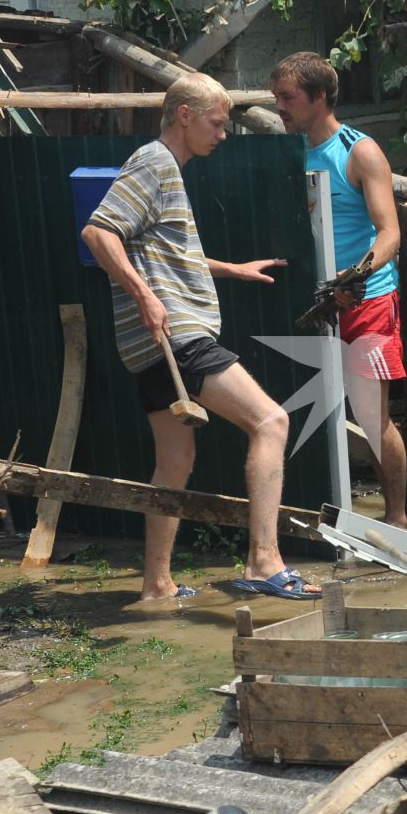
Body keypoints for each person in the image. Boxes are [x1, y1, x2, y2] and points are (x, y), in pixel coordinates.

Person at [80, 74, 319, 602]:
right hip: (179, 337)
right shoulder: (155, 162)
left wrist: (231, 269)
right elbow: (98, 231)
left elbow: (166, 252)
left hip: (151, 349)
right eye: (217, 122)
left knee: (174, 462)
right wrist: (145, 296)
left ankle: (157, 585)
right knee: (271, 421)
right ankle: (264, 561)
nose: (224, 134)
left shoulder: (165, 170)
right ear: (184, 115)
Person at [269, 51, 407, 527]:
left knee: (372, 419)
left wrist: (356, 275)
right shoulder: (284, 151)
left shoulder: (359, 151)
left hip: (365, 300)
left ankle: (397, 522)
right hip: (308, 301)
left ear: (320, 96)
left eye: (287, 98)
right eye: (276, 98)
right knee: (298, 410)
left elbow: (389, 232)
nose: (279, 108)